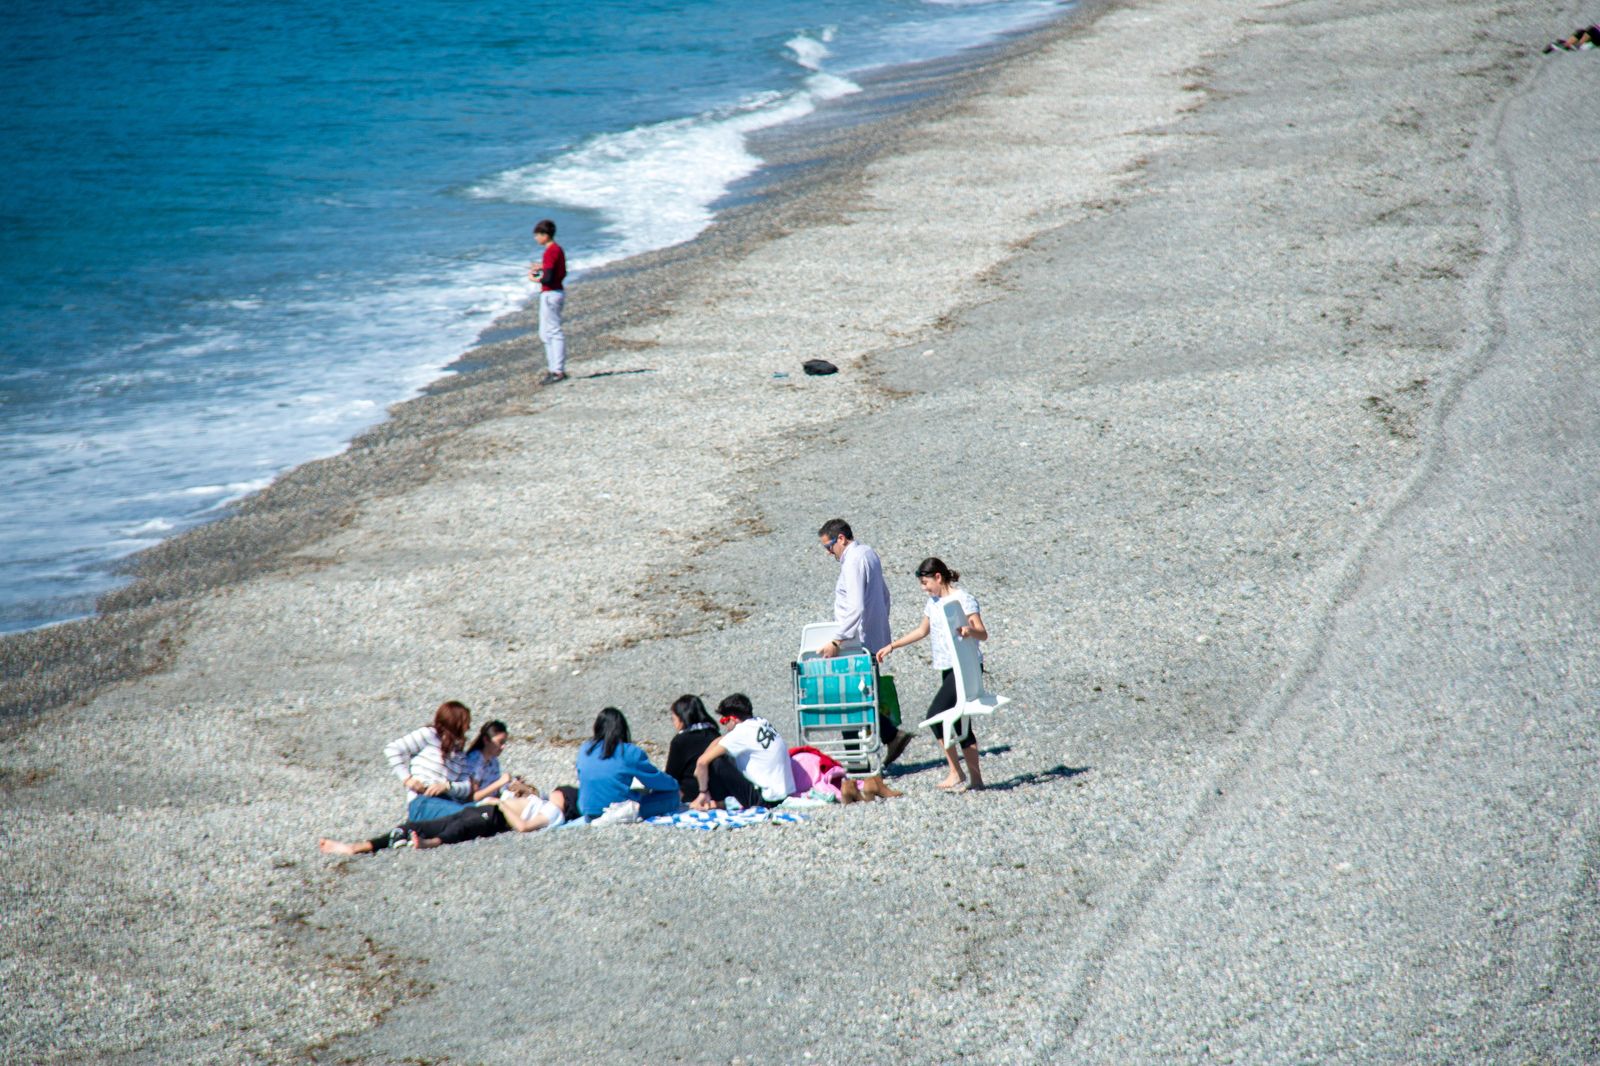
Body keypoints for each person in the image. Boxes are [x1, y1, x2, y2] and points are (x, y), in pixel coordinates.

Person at [876, 557, 989, 791]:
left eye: (926, 582)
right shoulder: (933, 602)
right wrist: (893, 646)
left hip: (967, 667)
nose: (924, 588)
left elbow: (982, 633)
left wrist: (969, 631)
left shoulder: (963, 599)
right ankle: (974, 780)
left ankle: (957, 773)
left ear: (938, 576)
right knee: (958, 721)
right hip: (948, 667)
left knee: (936, 715)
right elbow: (922, 630)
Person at [817, 518, 910, 788]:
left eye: (829, 546)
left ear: (841, 539)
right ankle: (886, 740)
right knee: (861, 697)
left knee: (849, 700)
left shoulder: (853, 560)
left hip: (856, 642)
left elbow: (855, 606)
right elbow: (885, 595)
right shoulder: (868, 553)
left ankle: (860, 762)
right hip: (870, 638)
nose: (828, 552)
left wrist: (837, 639)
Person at [318, 783, 579, 856]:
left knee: (460, 826)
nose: (555, 789)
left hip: (492, 816)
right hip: (484, 809)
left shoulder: (554, 812)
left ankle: (432, 843)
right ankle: (360, 846)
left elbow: (522, 827)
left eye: (560, 789)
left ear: (564, 798)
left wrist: (501, 803)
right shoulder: (545, 803)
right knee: (414, 826)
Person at [690, 694, 796, 811]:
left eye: (724, 721)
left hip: (765, 801)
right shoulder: (761, 722)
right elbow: (721, 740)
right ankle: (718, 801)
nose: (725, 726)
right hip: (783, 795)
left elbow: (702, 762)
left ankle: (713, 801)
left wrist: (703, 791)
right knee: (722, 756)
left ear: (733, 719)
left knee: (717, 761)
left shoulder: (740, 733)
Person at [575, 707, 681, 820]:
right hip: (618, 810)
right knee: (672, 796)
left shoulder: (585, 749)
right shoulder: (629, 752)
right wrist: (675, 785)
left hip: (587, 809)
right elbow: (655, 780)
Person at [384, 700, 476, 821]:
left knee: (488, 809)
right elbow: (392, 749)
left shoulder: (459, 753)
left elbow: (467, 787)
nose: (468, 728)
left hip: (448, 801)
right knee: (469, 815)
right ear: (455, 723)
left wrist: (448, 787)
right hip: (424, 799)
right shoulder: (429, 735)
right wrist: (407, 779)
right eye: (466, 723)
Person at [527, 218, 568, 385]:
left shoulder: (551, 251)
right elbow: (560, 273)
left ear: (545, 235)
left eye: (537, 235)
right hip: (555, 293)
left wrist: (534, 277)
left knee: (553, 332)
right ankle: (554, 368)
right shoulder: (557, 250)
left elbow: (549, 278)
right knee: (545, 332)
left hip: (551, 294)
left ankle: (557, 371)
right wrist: (541, 268)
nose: (536, 238)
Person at [663, 695, 721, 803]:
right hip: (716, 794)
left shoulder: (680, 740)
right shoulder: (714, 734)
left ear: (682, 718)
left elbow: (671, 775)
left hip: (689, 794)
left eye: (674, 719)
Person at [462, 720, 512, 802]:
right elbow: (472, 797)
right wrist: (500, 782)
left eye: (504, 743)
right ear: (486, 740)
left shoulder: (494, 761)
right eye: (500, 742)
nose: (503, 747)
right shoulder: (475, 761)